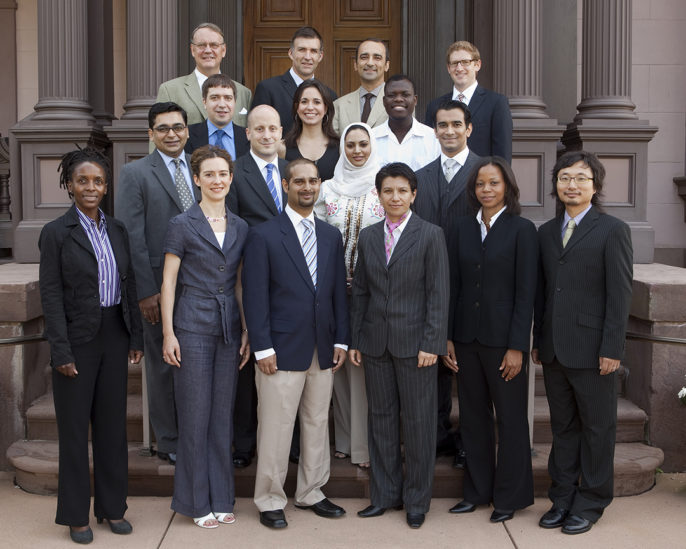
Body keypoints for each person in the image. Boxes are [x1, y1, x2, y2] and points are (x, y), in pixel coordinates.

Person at [39, 148, 143, 544]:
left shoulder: (117, 230)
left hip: (114, 333)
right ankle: (75, 515)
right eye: (82, 180)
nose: (91, 187)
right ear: (69, 184)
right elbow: (50, 295)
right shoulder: (56, 233)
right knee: (73, 432)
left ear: (106, 186)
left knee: (113, 429)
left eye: (98, 181)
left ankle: (113, 509)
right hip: (76, 340)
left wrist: (134, 335)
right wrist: (60, 351)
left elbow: (129, 283)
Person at [242, 158, 349, 529]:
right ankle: (270, 498)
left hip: (322, 348)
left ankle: (311, 492)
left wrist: (341, 339)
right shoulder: (264, 234)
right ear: (285, 185)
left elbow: (338, 295)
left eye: (313, 181)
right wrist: (262, 347)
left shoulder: (331, 235)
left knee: (317, 422)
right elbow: (255, 296)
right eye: (299, 181)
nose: (307, 187)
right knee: (275, 427)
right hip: (280, 349)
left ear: (320, 184)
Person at [532, 150, 633, 535]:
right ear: (556, 185)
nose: (571, 185)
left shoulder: (612, 230)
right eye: (564, 178)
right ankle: (561, 497)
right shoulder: (545, 232)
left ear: (595, 186)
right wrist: (540, 341)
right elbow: (544, 293)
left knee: (597, 428)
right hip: (556, 348)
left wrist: (612, 349)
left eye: (580, 178)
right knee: (564, 428)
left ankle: (591, 501)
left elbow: (619, 294)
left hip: (594, 351)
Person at [350, 162, 450, 530]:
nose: (395, 197)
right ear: (379, 195)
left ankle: (416, 501)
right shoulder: (369, 236)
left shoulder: (430, 235)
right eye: (388, 191)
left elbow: (439, 294)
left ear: (413, 194)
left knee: (420, 424)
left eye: (401, 191)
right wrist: (359, 337)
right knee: (382, 420)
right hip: (376, 344)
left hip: (416, 347)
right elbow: (360, 290)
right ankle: (384, 495)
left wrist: (432, 342)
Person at [160, 145, 250, 529]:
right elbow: (168, 282)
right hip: (192, 325)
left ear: (231, 179)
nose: (217, 180)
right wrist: (168, 333)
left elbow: (242, 284)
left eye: (223, 174)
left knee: (221, 416)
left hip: (229, 328)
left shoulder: (241, 226)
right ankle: (195, 502)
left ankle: (220, 497)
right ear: (197, 179)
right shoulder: (182, 223)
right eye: (209, 174)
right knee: (195, 416)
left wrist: (247, 328)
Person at [444, 156, 537, 523]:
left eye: (494, 183)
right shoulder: (461, 228)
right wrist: (449, 338)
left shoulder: (522, 230)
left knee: (511, 419)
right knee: (472, 418)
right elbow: (453, 286)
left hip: (504, 344)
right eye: (480, 184)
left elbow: (526, 292)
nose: (486, 190)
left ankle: (508, 498)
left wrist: (517, 346)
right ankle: (477, 492)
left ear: (507, 188)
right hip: (466, 339)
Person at [116, 102, 199, 466]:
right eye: (163, 128)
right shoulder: (135, 173)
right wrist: (146, 291)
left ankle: (196, 434)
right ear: (151, 134)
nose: (171, 134)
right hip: (157, 286)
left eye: (177, 127)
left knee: (197, 361)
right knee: (164, 363)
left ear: (186, 130)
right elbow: (131, 235)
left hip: (201, 283)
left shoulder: (201, 166)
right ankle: (168, 440)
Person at [413, 98, 481, 468]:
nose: (449, 131)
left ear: (468, 129)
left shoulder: (485, 172)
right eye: (442, 125)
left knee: (467, 368)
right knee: (434, 367)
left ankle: (468, 442)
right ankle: (436, 435)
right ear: (434, 131)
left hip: (472, 287)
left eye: (456, 124)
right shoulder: (421, 177)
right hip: (428, 287)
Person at [314, 122, 384, 470]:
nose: (357, 150)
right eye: (351, 145)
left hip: (372, 293)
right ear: (342, 149)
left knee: (364, 368)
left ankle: (364, 446)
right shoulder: (327, 189)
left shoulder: (383, 187)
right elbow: (312, 237)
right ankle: (343, 440)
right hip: (331, 291)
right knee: (337, 365)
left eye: (363, 144)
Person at [225, 104, 288, 468]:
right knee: (250, 364)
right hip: (252, 277)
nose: (266, 135)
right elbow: (234, 227)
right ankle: (244, 445)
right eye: (259, 129)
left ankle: (289, 444)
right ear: (247, 133)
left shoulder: (293, 169)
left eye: (272, 128)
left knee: (290, 362)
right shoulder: (237, 173)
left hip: (293, 283)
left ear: (281, 132)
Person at [424, 41, 512, 163]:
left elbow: (502, 153)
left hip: (479, 178)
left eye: (465, 62)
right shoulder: (434, 106)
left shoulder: (496, 103)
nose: (459, 68)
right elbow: (429, 150)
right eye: (454, 63)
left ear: (477, 65)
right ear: (448, 68)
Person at [157, 22, 251, 127]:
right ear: (193, 50)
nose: (207, 50)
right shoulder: (170, 90)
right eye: (202, 45)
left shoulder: (244, 93)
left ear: (223, 50)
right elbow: (158, 136)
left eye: (214, 45)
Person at [251, 26, 337, 134]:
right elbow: (256, 132)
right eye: (302, 50)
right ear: (291, 53)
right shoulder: (268, 89)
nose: (307, 57)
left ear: (320, 56)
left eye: (313, 51)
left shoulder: (330, 96)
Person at [372, 75, 439, 171]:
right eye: (392, 95)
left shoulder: (433, 138)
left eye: (405, 95)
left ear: (415, 100)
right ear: (384, 101)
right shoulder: (371, 138)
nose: (398, 99)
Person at [284, 79, 340, 182]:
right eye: (304, 101)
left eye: (317, 102)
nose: (310, 107)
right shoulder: (282, 148)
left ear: (325, 108)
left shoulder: (340, 147)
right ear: (297, 107)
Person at [184, 74, 249, 159]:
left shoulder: (248, 137)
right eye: (214, 98)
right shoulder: (187, 136)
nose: (222, 105)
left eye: (228, 98)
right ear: (204, 102)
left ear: (235, 102)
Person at [332, 38, 390, 135]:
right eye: (364, 57)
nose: (370, 63)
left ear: (386, 65)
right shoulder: (339, 106)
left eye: (377, 58)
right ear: (355, 64)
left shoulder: (398, 103)